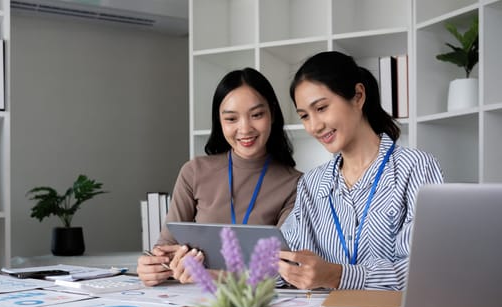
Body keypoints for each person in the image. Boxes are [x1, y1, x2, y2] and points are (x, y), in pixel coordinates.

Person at [278, 51, 443, 291]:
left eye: (322, 108)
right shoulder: (312, 184)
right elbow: (288, 260)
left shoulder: (416, 168)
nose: (314, 126)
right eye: (304, 116)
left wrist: (339, 276)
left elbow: (426, 269)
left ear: (358, 96)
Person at [138, 68, 302, 286]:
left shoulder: (296, 184)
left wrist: (214, 275)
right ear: (220, 121)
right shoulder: (194, 171)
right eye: (231, 118)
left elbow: (283, 268)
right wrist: (154, 267)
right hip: (191, 300)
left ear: (272, 113)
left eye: (256, 115)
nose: (244, 128)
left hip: (255, 304)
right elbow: (166, 247)